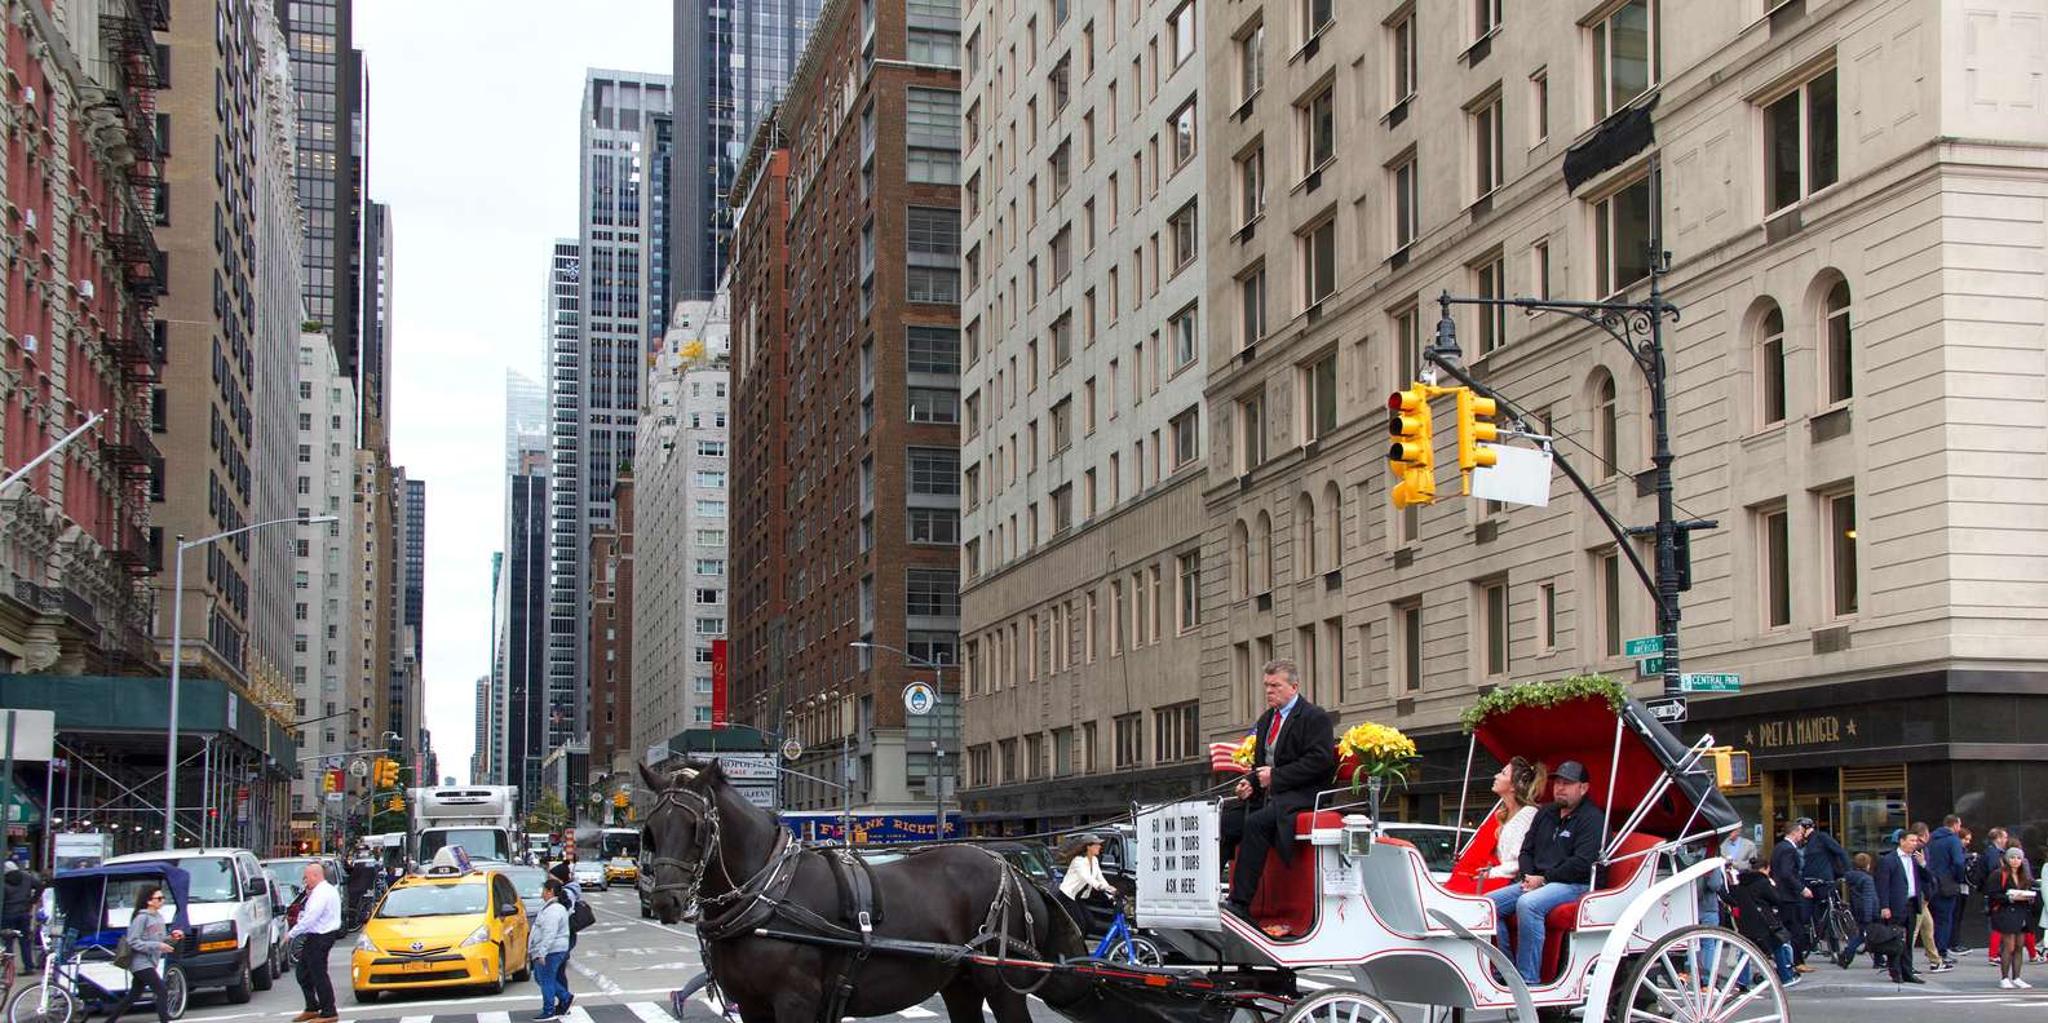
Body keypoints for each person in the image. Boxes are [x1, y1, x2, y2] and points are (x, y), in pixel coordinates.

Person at [1220, 659, 1335, 928]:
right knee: (1224, 821)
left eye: (1275, 686)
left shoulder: (1314, 717)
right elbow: (1262, 764)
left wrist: (1276, 777)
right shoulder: (1267, 719)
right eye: (1266, 686)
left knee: (1257, 823)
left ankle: (1241, 903)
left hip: (1302, 795)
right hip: (1270, 795)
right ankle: (1208, 893)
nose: (1269, 691)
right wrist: (1250, 783)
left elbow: (1320, 761)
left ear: (1294, 687)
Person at [1485, 759, 1606, 986]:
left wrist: (1544, 879)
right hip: (1538, 881)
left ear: (1584, 788)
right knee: (1487, 906)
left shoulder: (1592, 818)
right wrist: (1530, 876)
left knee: (1528, 904)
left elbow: (1581, 862)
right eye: (1558, 782)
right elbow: (1526, 850)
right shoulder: (1546, 813)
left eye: (1568, 783)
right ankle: (1505, 971)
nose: (1560, 787)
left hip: (1574, 883)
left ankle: (1528, 979)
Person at [102, 885, 184, 1023]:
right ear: (149, 901)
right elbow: (133, 941)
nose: (162, 900)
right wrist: (158, 945)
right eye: (158, 898)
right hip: (139, 962)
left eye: (162, 898)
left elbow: (160, 939)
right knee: (161, 990)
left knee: (133, 995)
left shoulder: (159, 918)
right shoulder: (141, 918)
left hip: (150, 961)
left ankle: (110, 1021)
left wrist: (173, 938)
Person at [1727, 859, 1801, 988]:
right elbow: (1776, 899)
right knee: (1778, 945)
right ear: (1765, 868)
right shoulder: (1763, 882)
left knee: (1746, 951)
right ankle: (1786, 976)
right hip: (1764, 922)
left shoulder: (1741, 883)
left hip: (1746, 923)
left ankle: (1742, 981)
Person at [287, 861, 342, 1023]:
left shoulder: (322, 893)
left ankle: (329, 1011)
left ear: (316, 876)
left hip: (321, 936)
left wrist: (291, 934)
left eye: (307, 877)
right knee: (303, 972)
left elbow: (311, 918)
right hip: (316, 936)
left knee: (319, 974)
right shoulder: (320, 891)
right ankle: (312, 1007)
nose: (305, 880)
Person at [1875, 828, 1929, 984]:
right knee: (1895, 939)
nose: (1914, 844)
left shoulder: (1914, 859)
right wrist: (1884, 906)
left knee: (1909, 940)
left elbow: (1928, 878)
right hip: (1896, 904)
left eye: (1916, 841)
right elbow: (1882, 885)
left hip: (1912, 903)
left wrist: (1923, 864)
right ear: (1902, 841)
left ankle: (1907, 971)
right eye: (1911, 841)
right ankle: (1895, 971)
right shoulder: (1889, 860)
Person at [1484, 758, 1546, 885]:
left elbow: (1519, 862)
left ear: (1513, 786)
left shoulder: (1527, 814)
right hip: (1504, 879)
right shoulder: (1505, 814)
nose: (1496, 776)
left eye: (1503, 773)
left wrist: (1491, 873)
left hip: (1519, 882)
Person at [1768, 821, 1815, 972]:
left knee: (1787, 928)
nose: (1802, 836)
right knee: (1795, 929)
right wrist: (1801, 889)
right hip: (1789, 896)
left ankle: (1790, 960)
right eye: (1801, 833)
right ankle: (1797, 961)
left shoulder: (1779, 848)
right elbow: (1787, 873)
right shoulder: (1789, 849)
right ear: (1794, 833)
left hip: (1782, 894)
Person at [1990, 846, 2036, 989]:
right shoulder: (1999, 874)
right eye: (2012, 857)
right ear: (2007, 859)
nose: (2015, 861)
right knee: (2008, 946)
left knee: (2019, 946)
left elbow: (2030, 890)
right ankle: (2004, 978)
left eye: (2018, 858)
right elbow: (1992, 894)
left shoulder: (2024, 875)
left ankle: (2017, 977)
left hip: (2021, 912)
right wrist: (2009, 897)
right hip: (2006, 912)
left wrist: (2028, 897)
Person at [1926, 814, 1967, 964]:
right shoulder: (1953, 840)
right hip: (1947, 884)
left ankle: (1932, 950)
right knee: (1945, 919)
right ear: (1955, 825)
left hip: (1931, 883)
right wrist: (1958, 878)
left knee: (1932, 920)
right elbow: (1958, 862)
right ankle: (1941, 952)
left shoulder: (1931, 838)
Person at [530, 878, 573, 1021]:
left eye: (544, 891)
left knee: (546, 979)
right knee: (541, 977)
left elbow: (549, 933)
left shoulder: (554, 910)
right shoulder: (552, 907)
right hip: (554, 949)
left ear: (551, 892)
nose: (542, 894)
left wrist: (542, 952)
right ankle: (565, 997)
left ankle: (549, 1009)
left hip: (551, 950)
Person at [1056, 834, 1119, 927]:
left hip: (1077, 897)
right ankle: (1076, 941)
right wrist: (1100, 887)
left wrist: (1110, 894)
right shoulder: (1078, 861)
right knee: (1080, 923)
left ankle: (1080, 940)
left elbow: (1100, 878)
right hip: (1067, 896)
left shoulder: (1094, 860)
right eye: (1096, 844)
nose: (1100, 847)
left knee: (1090, 923)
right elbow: (1088, 878)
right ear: (1088, 846)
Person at [548, 860, 583, 1013]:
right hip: (567, 934)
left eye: (552, 876)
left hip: (565, 934)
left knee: (552, 970)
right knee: (559, 969)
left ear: (559, 878)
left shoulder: (566, 893)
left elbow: (564, 913)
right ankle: (563, 1002)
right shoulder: (569, 890)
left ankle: (564, 999)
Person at [2, 861, 41, 970]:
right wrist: (33, 900)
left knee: (7, 942)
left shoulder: (3, 880)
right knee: (25, 942)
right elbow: (40, 886)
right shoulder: (26, 876)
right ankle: (28, 966)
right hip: (24, 913)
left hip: (8, 914)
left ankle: (8, 969)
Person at [1843, 852, 1878, 968]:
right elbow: (1868, 898)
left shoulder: (1851, 877)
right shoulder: (1867, 879)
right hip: (1868, 912)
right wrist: (1869, 915)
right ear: (1867, 865)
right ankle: (1847, 954)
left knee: (1870, 935)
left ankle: (1879, 959)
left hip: (1857, 910)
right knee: (1864, 936)